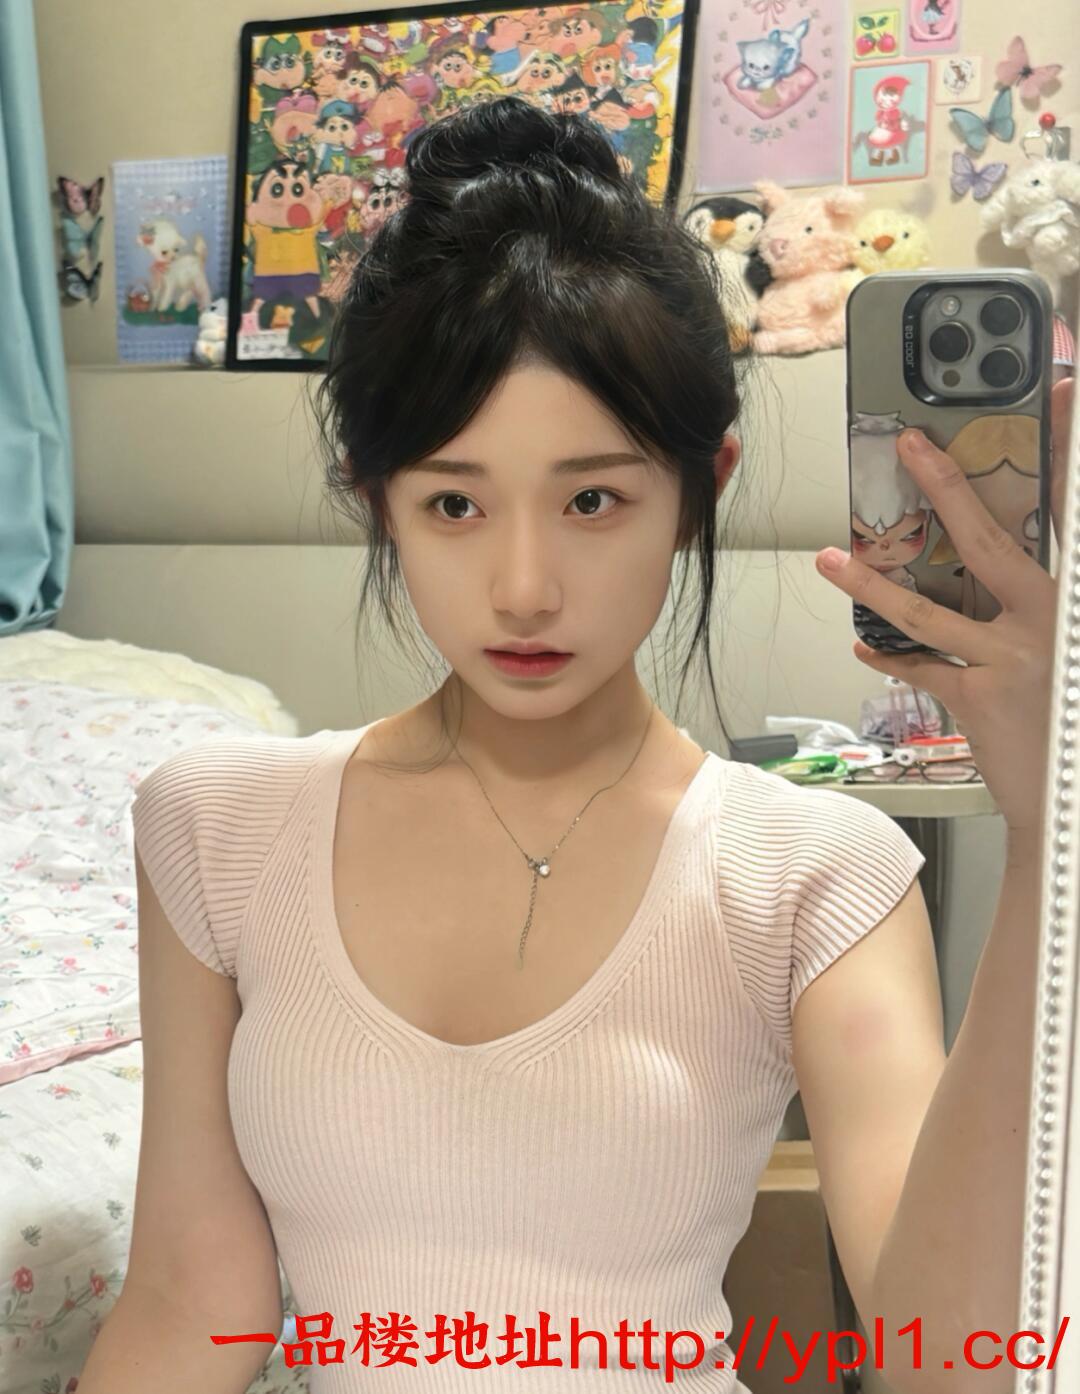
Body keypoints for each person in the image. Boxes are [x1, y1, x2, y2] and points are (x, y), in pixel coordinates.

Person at [80, 95, 1071, 1393]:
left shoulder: (813, 872)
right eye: (454, 504)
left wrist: (1050, 832)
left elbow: (949, 1362)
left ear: (699, 490)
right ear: (376, 501)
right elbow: (185, 1301)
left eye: (593, 497)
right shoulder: (216, 828)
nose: (524, 589)